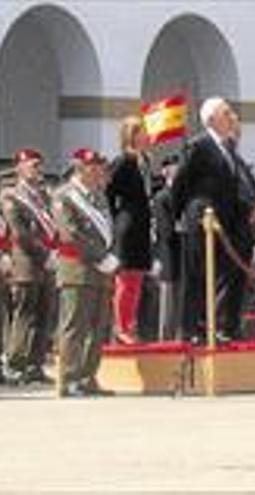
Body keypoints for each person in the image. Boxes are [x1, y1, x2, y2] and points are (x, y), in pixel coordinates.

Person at [172, 97, 255, 343]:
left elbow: (234, 188)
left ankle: (224, 325)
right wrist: (181, 217)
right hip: (203, 221)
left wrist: (249, 208)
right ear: (211, 119)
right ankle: (193, 328)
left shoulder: (228, 148)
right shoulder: (199, 146)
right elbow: (181, 183)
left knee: (226, 275)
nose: (232, 116)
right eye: (226, 113)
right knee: (198, 276)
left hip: (227, 223)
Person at [54, 148, 117, 397]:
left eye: (99, 166)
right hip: (77, 270)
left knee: (98, 326)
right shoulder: (64, 196)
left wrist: (112, 255)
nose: (98, 171)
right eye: (93, 166)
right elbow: (70, 233)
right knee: (74, 327)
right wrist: (100, 257)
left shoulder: (98, 196)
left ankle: (87, 377)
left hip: (100, 272)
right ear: (79, 168)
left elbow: (108, 230)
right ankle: (69, 379)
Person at [1, 148, 54, 385]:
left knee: (44, 315)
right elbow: (20, 233)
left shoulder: (43, 195)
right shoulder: (10, 195)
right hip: (25, 262)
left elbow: (52, 227)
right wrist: (45, 254)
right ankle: (14, 363)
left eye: (39, 165)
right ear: (19, 167)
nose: (37, 169)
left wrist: (54, 253)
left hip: (47, 264)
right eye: (33, 165)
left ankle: (35, 364)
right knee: (24, 314)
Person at [106, 115, 153, 344]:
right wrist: (116, 220)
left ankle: (130, 323)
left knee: (137, 279)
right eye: (142, 131)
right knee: (125, 279)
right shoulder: (123, 161)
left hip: (143, 227)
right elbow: (108, 193)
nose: (147, 135)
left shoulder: (145, 161)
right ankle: (121, 326)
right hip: (128, 225)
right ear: (131, 136)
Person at [152, 155, 182, 341]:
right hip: (169, 254)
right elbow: (166, 230)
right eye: (173, 167)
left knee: (182, 301)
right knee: (169, 301)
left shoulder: (185, 194)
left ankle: (180, 336)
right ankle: (166, 338)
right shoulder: (162, 197)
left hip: (185, 253)